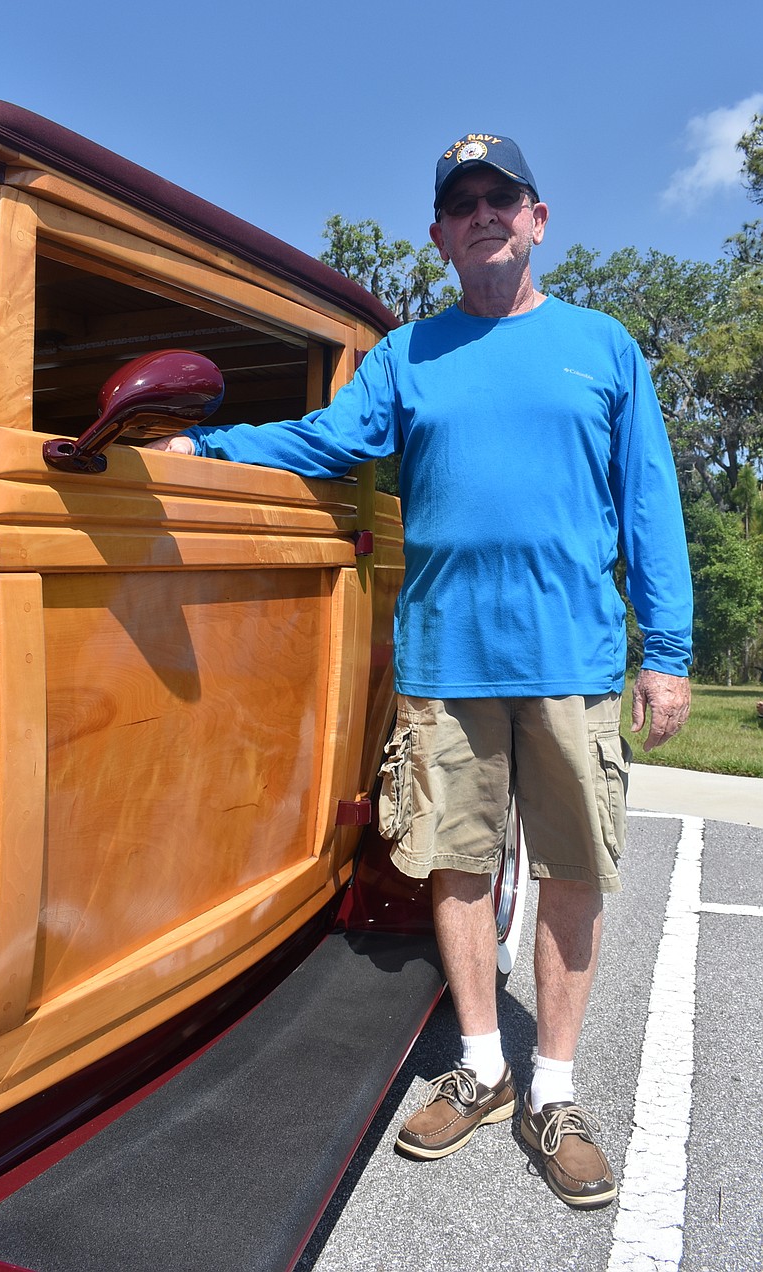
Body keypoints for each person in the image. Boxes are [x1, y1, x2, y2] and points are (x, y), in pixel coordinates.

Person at [147, 131, 693, 1209]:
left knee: (571, 871)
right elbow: (324, 442)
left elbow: (650, 506)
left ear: (538, 221)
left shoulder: (603, 347)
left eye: (504, 196)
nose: (484, 211)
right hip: (445, 659)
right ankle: (484, 1068)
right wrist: (205, 451)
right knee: (454, 862)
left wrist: (665, 656)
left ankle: (555, 1088)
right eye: (463, 201)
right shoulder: (405, 355)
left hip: (572, 660)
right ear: (441, 235)